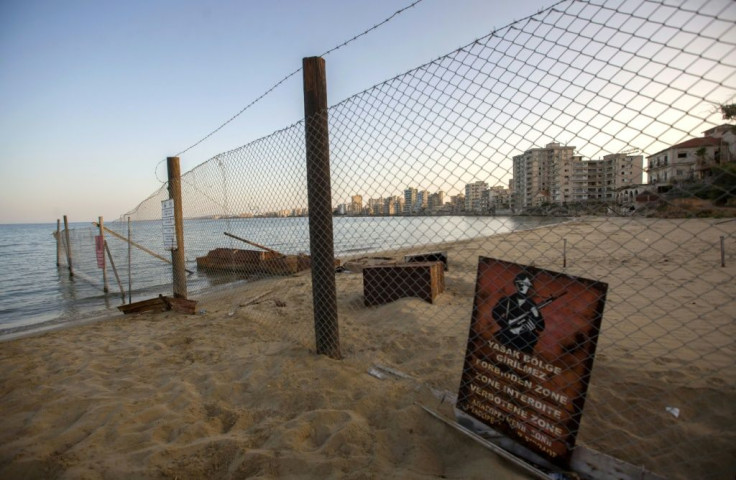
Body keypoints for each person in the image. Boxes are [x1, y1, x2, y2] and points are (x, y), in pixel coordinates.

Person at [492, 272, 544, 354]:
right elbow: (495, 313)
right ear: (515, 284)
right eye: (520, 283)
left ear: (529, 286)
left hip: (525, 342)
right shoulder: (507, 300)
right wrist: (508, 324)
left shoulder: (532, 304)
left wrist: (536, 315)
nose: (522, 286)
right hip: (508, 337)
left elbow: (541, 327)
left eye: (525, 284)